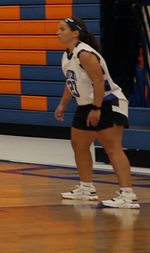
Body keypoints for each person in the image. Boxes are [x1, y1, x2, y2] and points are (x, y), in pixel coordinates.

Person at [55, 17, 139, 209]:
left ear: (75, 33)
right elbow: (72, 82)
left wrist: (97, 108)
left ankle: (128, 195)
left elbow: (99, 82)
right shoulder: (68, 54)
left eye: (62, 29)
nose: (57, 33)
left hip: (108, 102)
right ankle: (87, 188)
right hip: (87, 104)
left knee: (112, 148)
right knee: (79, 144)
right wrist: (62, 104)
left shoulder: (85, 53)